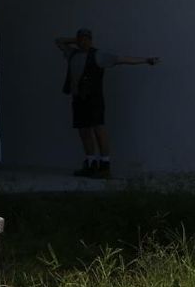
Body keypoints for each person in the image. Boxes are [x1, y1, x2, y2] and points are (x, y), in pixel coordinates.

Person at [55, 28, 158, 179]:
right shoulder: (72, 53)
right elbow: (59, 41)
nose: (84, 41)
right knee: (83, 131)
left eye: (87, 38)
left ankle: (105, 165)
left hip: (94, 98)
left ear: (91, 40)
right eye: (81, 39)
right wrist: (74, 39)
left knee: (98, 129)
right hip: (78, 98)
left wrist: (146, 60)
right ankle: (90, 164)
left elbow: (122, 59)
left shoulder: (98, 55)